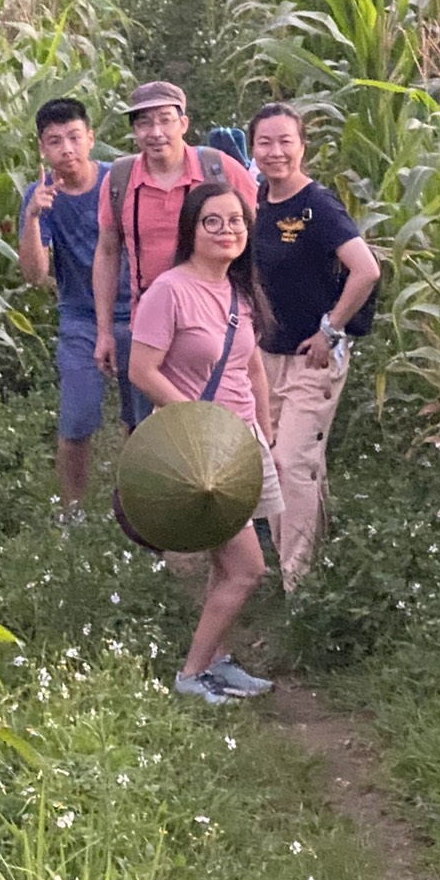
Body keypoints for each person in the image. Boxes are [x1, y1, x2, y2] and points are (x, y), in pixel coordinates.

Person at [129, 178, 285, 706]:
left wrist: (265, 431)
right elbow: (142, 370)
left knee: (225, 563)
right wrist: (198, 421)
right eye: (211, 222)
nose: (225, 231)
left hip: (241, 445)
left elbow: (251, 366)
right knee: (248, 568)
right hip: (199, 450)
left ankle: (218, 661)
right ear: (190, 231)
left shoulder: (238, 290)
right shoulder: (169, 291)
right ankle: (192, 674)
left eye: (235, 221)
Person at [249, 102, 381, 591]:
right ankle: (312, 567)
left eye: (285, 141)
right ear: (252, 148)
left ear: (302, 146)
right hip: (267, 357)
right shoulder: (257, 201)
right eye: (265, 142)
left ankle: (296, 584)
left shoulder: (317, 206)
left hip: (313, 359)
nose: (275, 152)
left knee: (290, 464)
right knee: (282, 463)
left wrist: (330, 329)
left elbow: (366, 270)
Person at [17, 93, 142, 515]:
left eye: (74, 137)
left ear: (91, 138)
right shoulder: (42, 196)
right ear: (42, 148)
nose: (66, 149)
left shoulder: (118, 182)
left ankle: (137, 504)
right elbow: (35, 275)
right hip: (80, 317)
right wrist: (33, 217)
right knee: (77, 419)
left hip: (137, 310)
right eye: (55, 141)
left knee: (138, 417)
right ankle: (72, 511)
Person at [92, 81, 257, 383]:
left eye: (165, 120)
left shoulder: (219, 170)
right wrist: (104, 331)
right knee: (153, 410)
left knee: (225, 405)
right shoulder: (119, 180)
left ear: (184, 123)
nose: (156, 132)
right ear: (135, 131)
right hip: (149, 328)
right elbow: (107, 251)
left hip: (219, 324)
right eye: (144, 123)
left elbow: (256, 235)